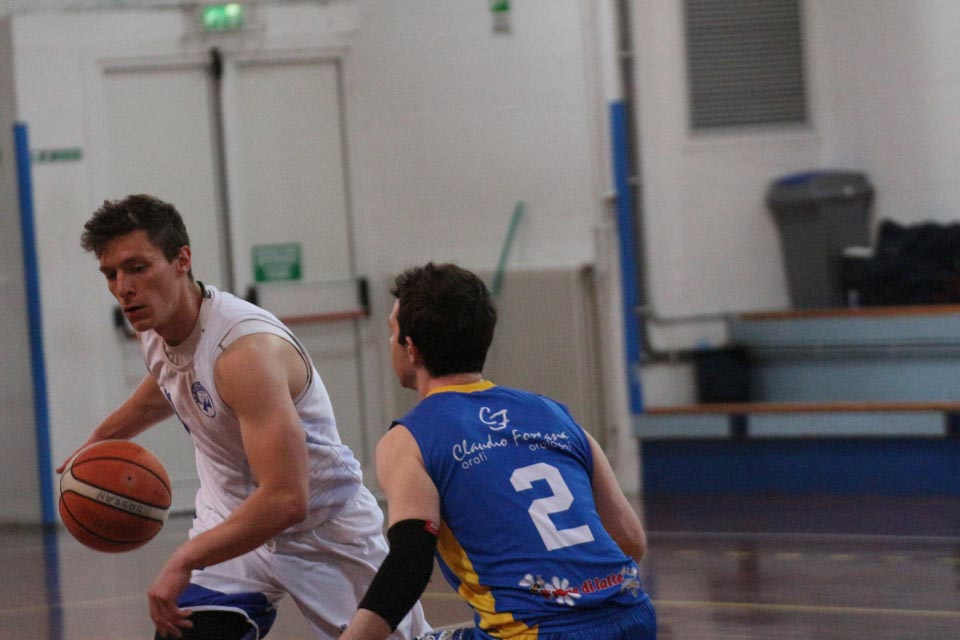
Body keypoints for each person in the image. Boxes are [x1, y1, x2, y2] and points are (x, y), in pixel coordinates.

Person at [58, 194, 429, 640]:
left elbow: (287, 498)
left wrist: (185, 558)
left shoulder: (244, 352)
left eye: (138, 268)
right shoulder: (157, 326)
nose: (124, 287)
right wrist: (100, 439)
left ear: (182, 260)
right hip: (231, 524)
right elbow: (168, 379)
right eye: (111, 274)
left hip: (322, 528)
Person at [340, 262, 657, 640]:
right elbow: (630, 540)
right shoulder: (554, 414)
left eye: (392, 333)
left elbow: (409, 565)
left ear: (411, 349)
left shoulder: (409, 438)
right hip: (633, 617)